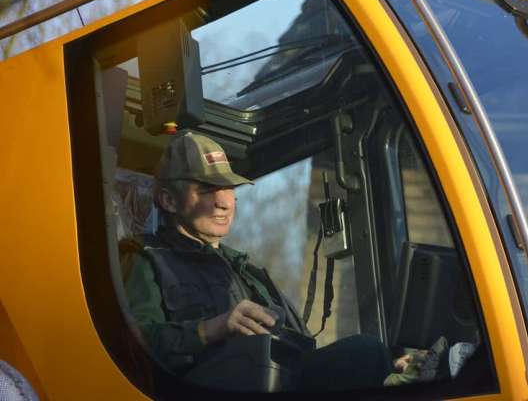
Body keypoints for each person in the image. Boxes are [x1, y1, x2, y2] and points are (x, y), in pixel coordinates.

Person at [123, 131, 398, 392]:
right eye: (206, 189)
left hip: (280, 379)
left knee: (376, 360)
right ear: (169, 200)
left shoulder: (246, 270)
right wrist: (210, 329)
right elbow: (131, 349)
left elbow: (304, 351)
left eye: (229, 187)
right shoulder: (146, 259)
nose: (224, 202)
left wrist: (391, 371)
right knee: (365, 352)